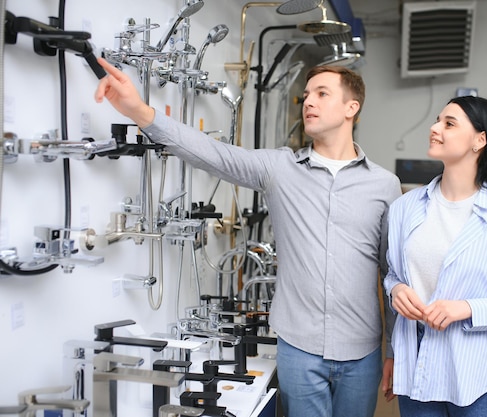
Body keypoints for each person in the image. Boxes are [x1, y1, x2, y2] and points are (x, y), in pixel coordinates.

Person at [94, 57, 401, 417]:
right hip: (298, 348)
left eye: (322, 93)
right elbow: (211, 154)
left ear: (353, 107)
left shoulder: (384, 185)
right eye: (306, 95)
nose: (309, 102)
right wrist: (139, 110)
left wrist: (394, 351)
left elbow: (391, 275)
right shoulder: (279, 169)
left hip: (361, 350)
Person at [383, 96, 487, 417]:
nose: (434, 128)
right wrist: (397, 290)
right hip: (417, 368)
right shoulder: (405, 207)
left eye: (449, 123)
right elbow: (394, 274)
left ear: (480, 140)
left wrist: (467, 309)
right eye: (437, 120)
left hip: (478, 376)